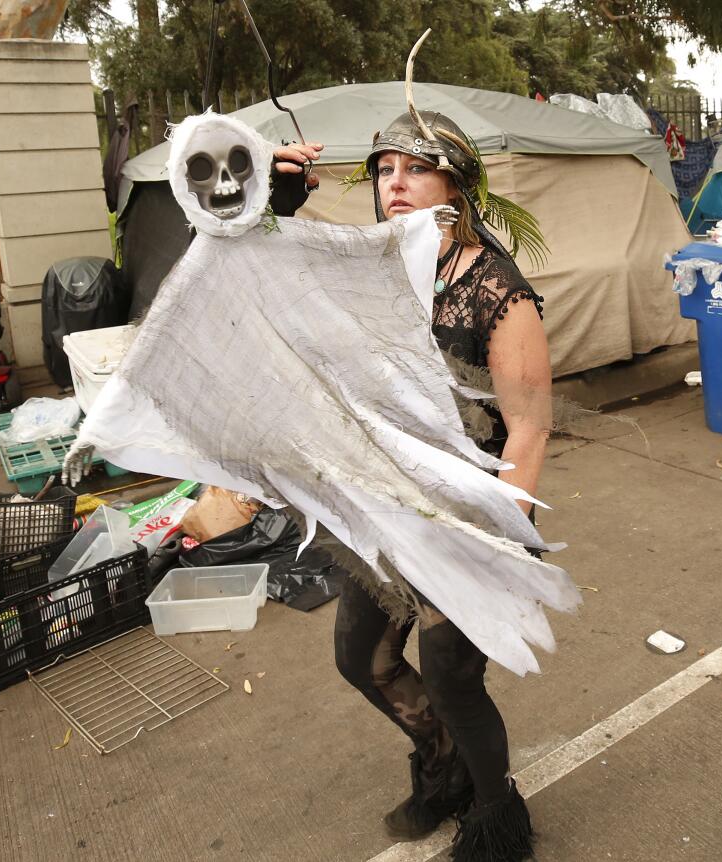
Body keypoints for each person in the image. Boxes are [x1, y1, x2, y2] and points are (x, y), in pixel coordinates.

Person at [270, 108, 553, 862]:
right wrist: (275, 205)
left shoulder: (497, 289)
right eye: (384, 169)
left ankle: (496, 818)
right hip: (387, 511)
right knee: (362, 660)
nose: (395, 184)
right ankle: (444, 765)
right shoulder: (377, 264)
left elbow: (528, 428)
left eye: (416, 169)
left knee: (454, 679)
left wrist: (499, 540)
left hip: (468, 517)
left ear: (455, 185)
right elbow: (266, 280)